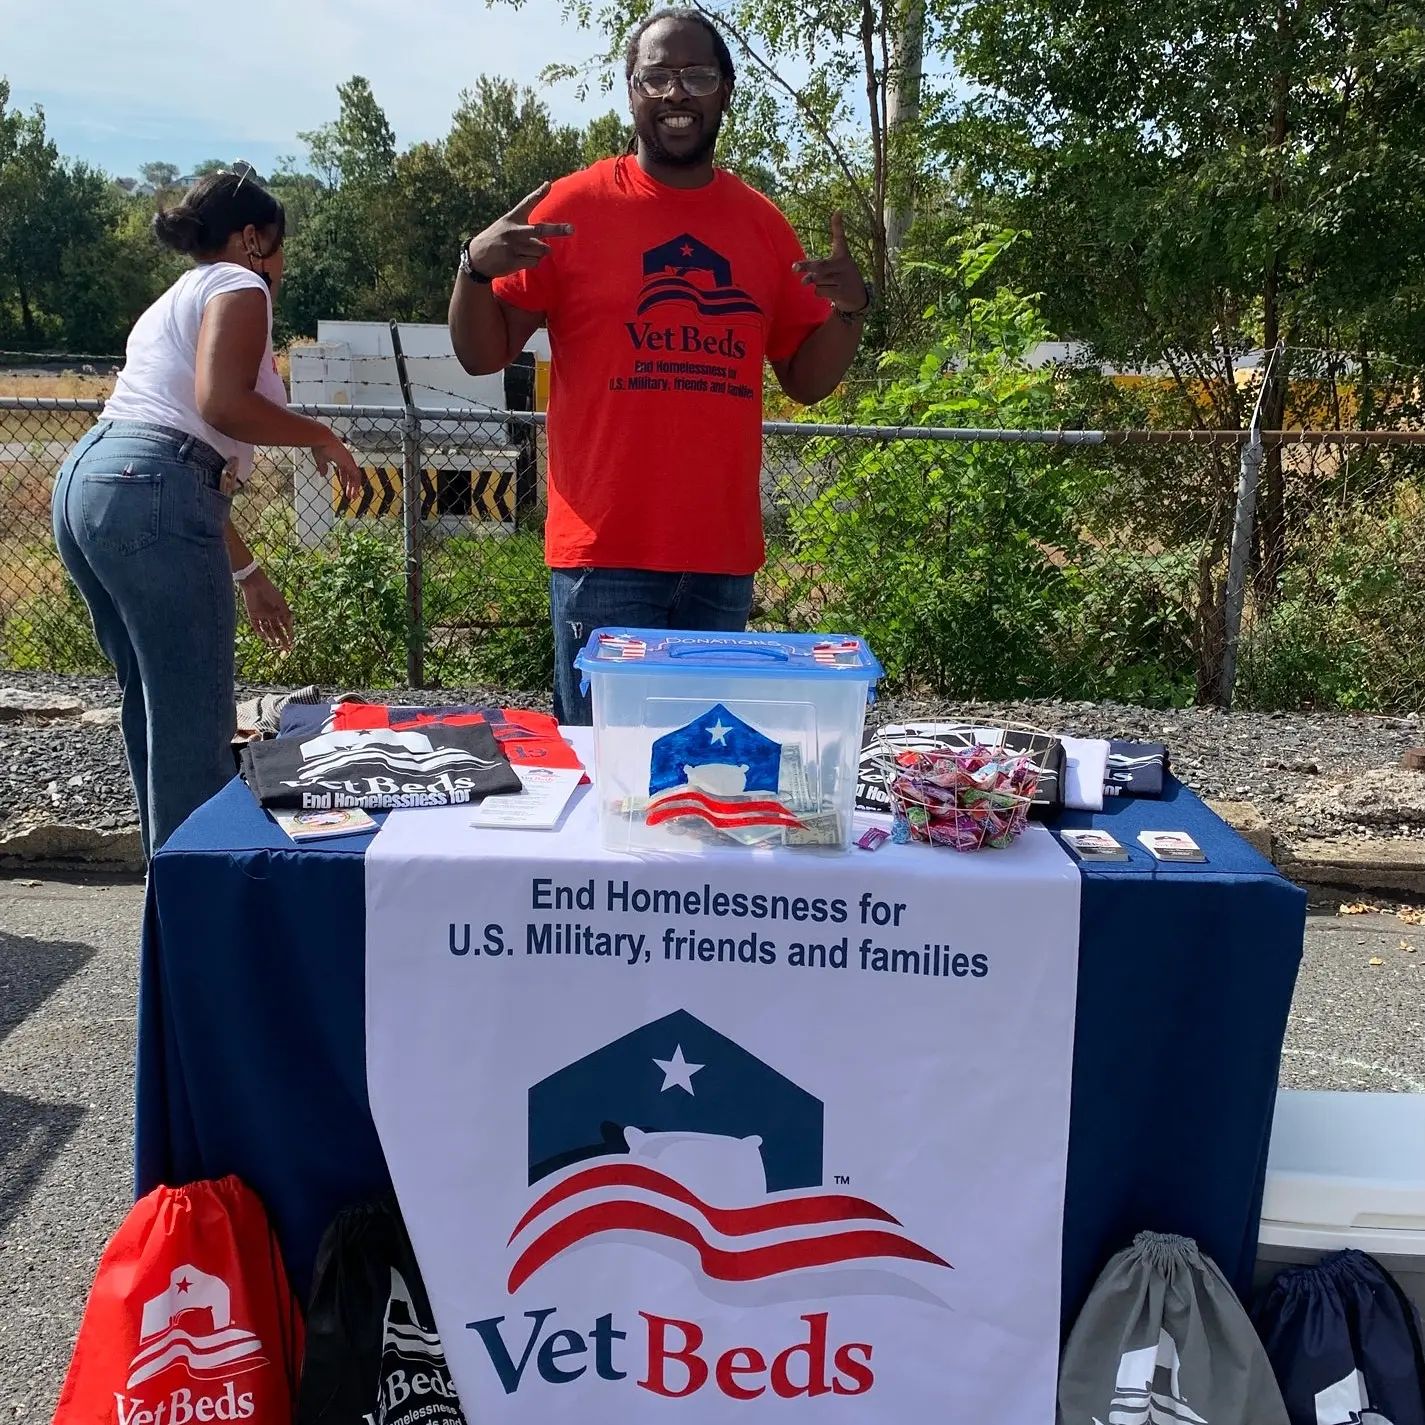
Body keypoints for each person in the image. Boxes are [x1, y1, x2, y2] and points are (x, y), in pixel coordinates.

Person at [449, 7, 870, 724]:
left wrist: (851, 311)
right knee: (602, 776)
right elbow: (482, 354)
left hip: (720, 557)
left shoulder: (760, 224)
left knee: (701, 770)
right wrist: (471, 269)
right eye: (658, 76)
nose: (677, 92)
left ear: (725, 92)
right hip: (603, 552)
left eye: (697, 75)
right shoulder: (572, 207)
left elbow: (805, 378)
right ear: (631, 90)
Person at [51, 167, 363, 857]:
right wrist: (320, 433)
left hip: (91, 485)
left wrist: (247, 570)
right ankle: (200, 934)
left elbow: (182, 462)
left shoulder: (176, 296)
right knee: (195, 732)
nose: (280, 266)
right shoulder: (239, 283)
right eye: (277, 247)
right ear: (251, 238)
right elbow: (219, 408)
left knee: (157, 711)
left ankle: (169, 900)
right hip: (147, 487)